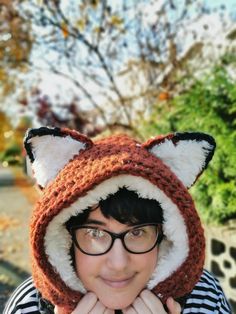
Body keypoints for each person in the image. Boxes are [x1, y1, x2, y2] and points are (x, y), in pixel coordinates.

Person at [4, 127, 232, 314]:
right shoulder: (28, 305)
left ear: (166, 237)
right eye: (95, 233)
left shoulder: (205, 298)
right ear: (64, 240)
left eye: (137, 233)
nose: (119, 263)